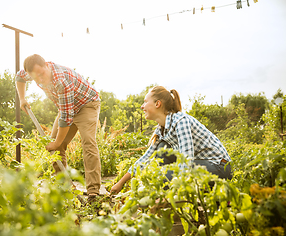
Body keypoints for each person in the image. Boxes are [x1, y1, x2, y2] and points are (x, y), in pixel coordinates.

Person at [111, 86, 232, 194]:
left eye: (145, 102)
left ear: (157, 104)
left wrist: (166, 181)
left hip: (219, 167)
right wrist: (121, 183)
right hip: (200, 165)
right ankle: (177, 195)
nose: (142, 106)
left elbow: (187, 161)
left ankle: (180, 197)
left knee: (162, 175)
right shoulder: (161, 130)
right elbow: (145, 158)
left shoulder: (180, 121)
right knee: (161, 150)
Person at [15, 54, 101, 197]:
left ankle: (93, 191)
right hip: (66, 107)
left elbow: (66, 117)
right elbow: (19, 76)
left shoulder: (61, 81)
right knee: (54, 145)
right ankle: (65, 187)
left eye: (42, 74)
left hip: (87, 104)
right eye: (36, 78)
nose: (40, 80)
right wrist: (22, 99)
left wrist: (57, 142)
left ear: (46, 65)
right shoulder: (33, 72)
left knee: (88, 142)